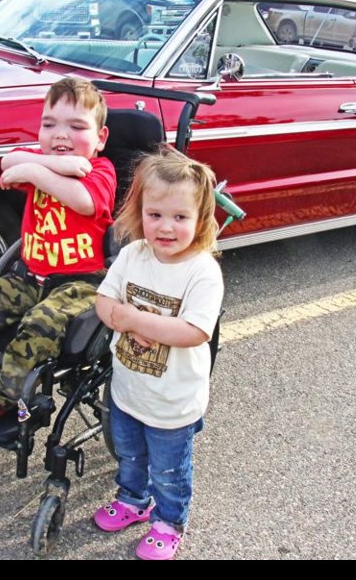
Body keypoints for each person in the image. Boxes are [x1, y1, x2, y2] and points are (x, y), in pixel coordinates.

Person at [0, 76, 115, 421]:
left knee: (40, 324)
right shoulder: (42, 160)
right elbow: (7, 163)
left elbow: (84, 202)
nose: (60, 134)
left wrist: (34, 169)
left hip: (81, 284)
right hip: (29, 277)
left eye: (76, 126)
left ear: (100, 139)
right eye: (49, 124)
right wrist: (51, 164)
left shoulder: (100, 170)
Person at [92, 146, 224, 560]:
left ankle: (169, 521)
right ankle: (133, 500)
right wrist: (119, 314)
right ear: (139, 212)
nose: (166, 227)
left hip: (173, 403)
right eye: (155, 215)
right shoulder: (133, 255)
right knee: (129, 455)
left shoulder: (201, 270)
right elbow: (103, 300)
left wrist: (132, 320)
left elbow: (195, 331)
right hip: (128, 391)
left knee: (169, 471)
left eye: (180, 217)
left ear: (201, 219)